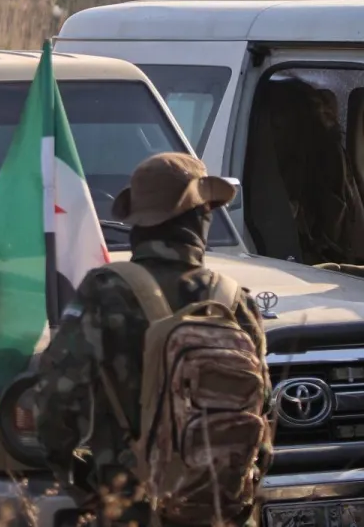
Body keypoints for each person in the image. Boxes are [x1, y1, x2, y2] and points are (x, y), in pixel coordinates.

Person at [34, 153, 271, 527]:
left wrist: (77, 475)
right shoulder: (232, 300)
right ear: (200, 217)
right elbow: (262, 406)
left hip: (132, 504)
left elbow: (56, 398)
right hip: (220, 507)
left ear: (138, 223)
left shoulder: (105, 292)